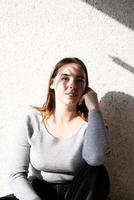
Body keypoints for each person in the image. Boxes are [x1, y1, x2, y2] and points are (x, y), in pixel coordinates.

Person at [1, 57, 110, 200]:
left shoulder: (93, 124)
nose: (72, 85)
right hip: (40, 192)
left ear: (85, 88)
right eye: (65, 78)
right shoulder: (32, 121)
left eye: (79, 80)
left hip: (79, 194)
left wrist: (94, 109)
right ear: (52, 83)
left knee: (97, 171)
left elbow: (96, 159)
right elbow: (16, 175)